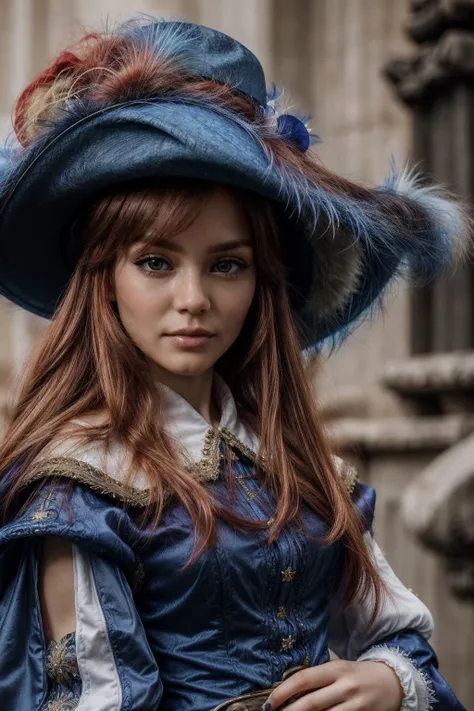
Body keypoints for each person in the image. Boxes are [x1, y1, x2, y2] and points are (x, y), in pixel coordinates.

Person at [0, 17, 469, 711]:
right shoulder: (78, 489)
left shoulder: (296, 461)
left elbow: (400, 639)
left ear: (262, 283)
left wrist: (388, 682)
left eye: (227, 265)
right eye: (155, 262)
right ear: (104, 278)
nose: (193, 300)